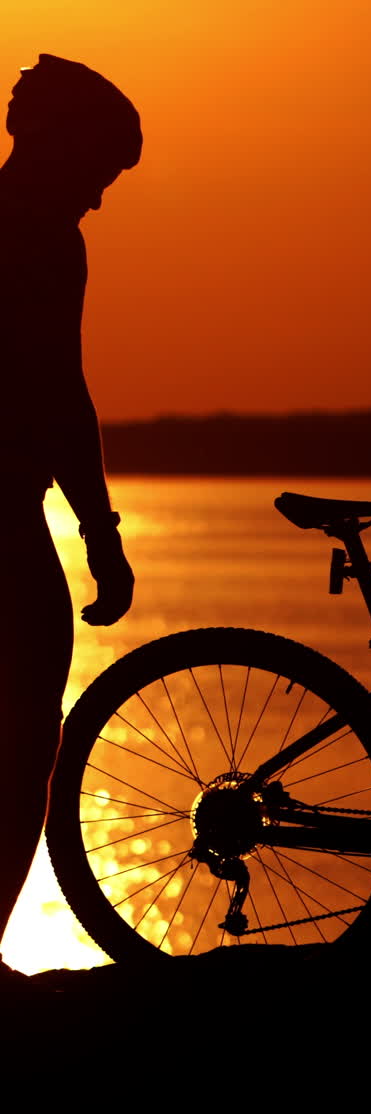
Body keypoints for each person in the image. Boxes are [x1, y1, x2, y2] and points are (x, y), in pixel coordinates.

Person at [0, 53, 140, 979]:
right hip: (5, 520)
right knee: (22, 735)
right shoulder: (43, 239)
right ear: (60, 148)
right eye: (97, 175)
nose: (96, 201)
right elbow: (59, 390)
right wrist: (100, 533)